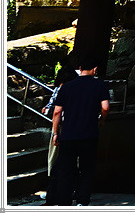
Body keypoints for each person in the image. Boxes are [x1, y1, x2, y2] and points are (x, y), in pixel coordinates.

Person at [50, 55, 110, 206]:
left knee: (65, 169)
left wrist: (55, 132)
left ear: (80, 69)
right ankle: (82, 200)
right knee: (87, 168)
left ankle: (64, 201)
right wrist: (101, 119)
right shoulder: (100, 85)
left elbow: (57, 112)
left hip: (68, 134)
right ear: (95, 69)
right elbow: (105, 107)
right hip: (89, 134)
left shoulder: (67, 87)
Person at [42, 61, 78, 206]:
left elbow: (54, 110)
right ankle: (74, 190)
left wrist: (55, 132)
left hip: (61, 127)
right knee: (73, 161)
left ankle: (54, 192)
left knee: (55, 160)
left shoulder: (61, 89)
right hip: (77, 128)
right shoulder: (79, 89)